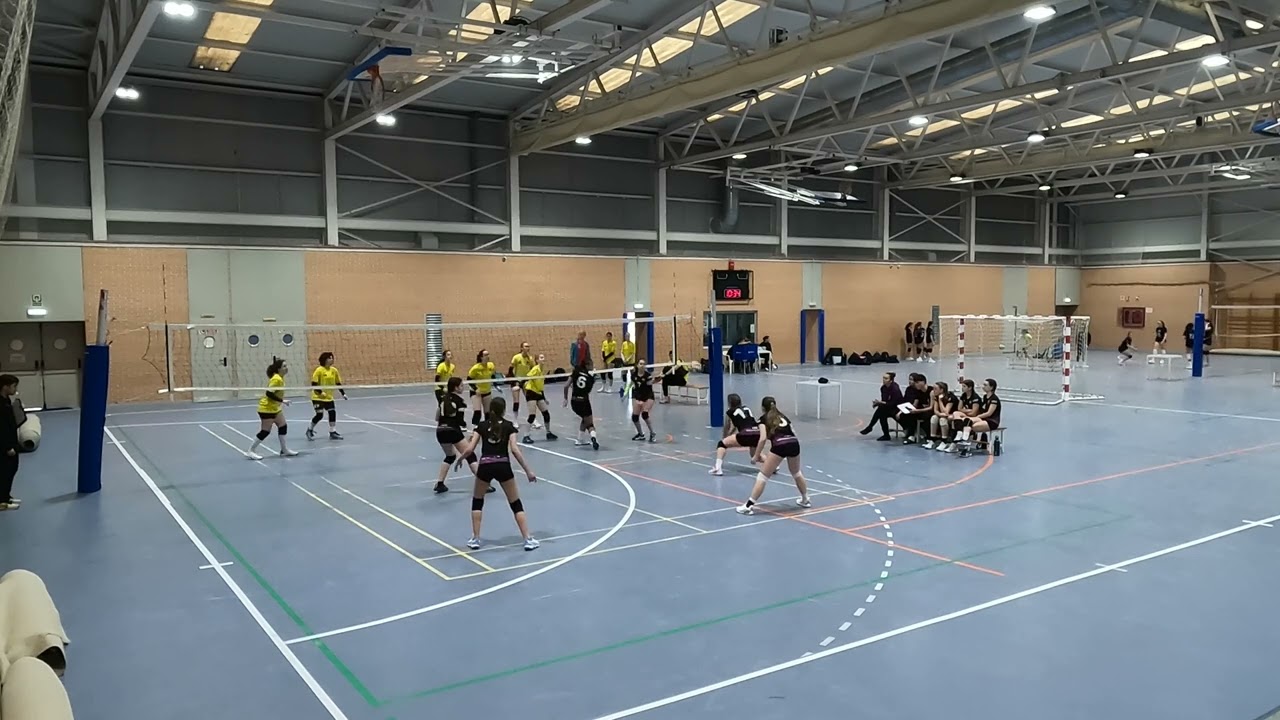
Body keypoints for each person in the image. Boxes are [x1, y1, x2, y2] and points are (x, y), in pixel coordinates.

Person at [454, 397, 539, 551]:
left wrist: (460, 459)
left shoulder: (481, 426)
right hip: (503, 465)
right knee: (515, 503)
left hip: (485, 465)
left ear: (490, 410)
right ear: (504, 410)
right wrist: (528, 471)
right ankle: (527, 539)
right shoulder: (509, 426)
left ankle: (475, 539)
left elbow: (470, 448)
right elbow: (514, 450)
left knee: (477, 501)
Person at [737, 396, 810, 515]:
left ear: (762, 408)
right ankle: (805, 499)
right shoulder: (783, 416)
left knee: (762, 476)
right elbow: (793, 432)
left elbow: (762, 439)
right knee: (796, 473)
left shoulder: (763, 419)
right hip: (794, 443)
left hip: (780, 444)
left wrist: (756, 456)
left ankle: (748, 506)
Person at [432, 377, 487, 495]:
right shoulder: (460, 402)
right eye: (462, 386)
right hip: (453, 430)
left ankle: (440, 483)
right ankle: (484, 484)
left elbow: (437, 418)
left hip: (440, 430)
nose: (463, 388)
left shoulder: (442, 399)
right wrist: (469, 431)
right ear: (456, 388)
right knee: (470, 455)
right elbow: (460, 421)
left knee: (450, 456)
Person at [247, 358, 299, 460]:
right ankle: (251, 451)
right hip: (266, 408)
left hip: (275, 408)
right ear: (278, 369)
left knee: (283, 426)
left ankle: (284, 450)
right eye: (284, 366)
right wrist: (282, 401)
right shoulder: (277, 379)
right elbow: (269, 393)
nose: (286, 368)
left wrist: (281, 401)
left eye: (286, 366)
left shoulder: (280, 378)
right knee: (265, 431)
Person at [709, 393, 759, 476]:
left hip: (745, 434)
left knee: (721, 444)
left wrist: (724, 438)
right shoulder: (746, 409)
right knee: (754, 455)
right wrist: (730, 435)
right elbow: (737, 425)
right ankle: (774, 466)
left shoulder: (730, 412)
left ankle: (718, 468)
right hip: (757, 433)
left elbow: (727, 426)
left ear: (729, 403)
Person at [307, 352, 347, 441]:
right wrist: (320, 393)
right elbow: (314, 384)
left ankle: (332, 432)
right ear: (325, 359)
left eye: (332, 357)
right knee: (319, 415)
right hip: (317, 397)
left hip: (329, 397)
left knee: (332, 412)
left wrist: (343, 393)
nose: (332, 359)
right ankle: (310, 430)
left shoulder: (334, 370)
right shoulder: (319, 370)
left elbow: (338, 383)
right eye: (330, 358)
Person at [956, 378, 1001, 454]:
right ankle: (963, 439)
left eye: (985, 385)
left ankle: (966, 442)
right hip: (983, 419)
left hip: (991, 421)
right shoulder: (985, 397)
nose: (983, 386)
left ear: (991, 387)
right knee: (966, 421)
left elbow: (989, 413)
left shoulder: (994, 399)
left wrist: (977, 417)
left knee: (971, 427)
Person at [521, 353, 557, 445]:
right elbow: (527, 377)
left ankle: (548, 433)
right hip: (531, 393)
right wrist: (526, 386)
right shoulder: (535, 369)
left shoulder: (541, 370)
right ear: (537, 360)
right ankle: (526, 436)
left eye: (543, 357)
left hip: (539, 393)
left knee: (546, 413)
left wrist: (544, 398)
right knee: (532, 415)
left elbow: (540, 385)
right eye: (541, 358)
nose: (543, 359)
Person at [564, 359, 599, 450]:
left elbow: (566, 385)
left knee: (584, 419)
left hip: (574, 402)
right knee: (590, 423)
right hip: (584, 402)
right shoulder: (590, 378)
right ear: (587, 365)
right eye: (591, 364)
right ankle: (593, 438)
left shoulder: (576, 372)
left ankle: (580, 439)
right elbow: (588, 391)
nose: (592, 366)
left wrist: (565, 399)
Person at [859, 371, 904, 441]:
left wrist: (880, 403)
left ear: (891, 380)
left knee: (881, 411)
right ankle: (881, 433)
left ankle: (871, 427)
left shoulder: (895, 389)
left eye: (886, 378)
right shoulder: (883, 388)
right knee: (881, 412)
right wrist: (878, 403)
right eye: (883, 378)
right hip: (889, 407)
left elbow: (893, 403)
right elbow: (885, 401)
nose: (883, 380)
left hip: (897, 409)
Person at [0, 375, 20, 511]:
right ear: (5, 387)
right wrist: (8, 447)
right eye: (14, 386)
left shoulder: (6, 400)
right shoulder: (0, 404)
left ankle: (6, 496)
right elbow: (1, 428)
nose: (15, 389)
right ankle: (2, 501)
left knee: (12, 469)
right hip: (5, 444)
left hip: (11, 440)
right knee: (5, 472)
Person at [895, 373, 932, 444]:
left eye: (917, 382)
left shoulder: (931, 391)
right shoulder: (918, 392)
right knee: (909, 415)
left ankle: (928, 437)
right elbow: (915, 403)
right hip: (921, 410)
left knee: (925, 417)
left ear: (923, 382)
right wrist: (910, 410)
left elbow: (931, 407)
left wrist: (917, 410)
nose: (915, 384)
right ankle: (911, 435)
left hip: (929, 411)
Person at [923, 380, 957, 451]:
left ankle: (944, 441)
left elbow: (946, 411)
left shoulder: (950, 397)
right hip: (942, 415)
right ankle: (932, 440)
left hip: (952, 416)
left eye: (935, 389)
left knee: (942, 420)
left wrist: (940, 400)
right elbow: (935, 411)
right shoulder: (936, 396)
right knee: (934, 418)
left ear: (941, 390)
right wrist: (940, 414)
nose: (933, 390)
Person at [468, 350, 498, 427]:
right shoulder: (475, 368)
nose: (487, 356)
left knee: (488, 412)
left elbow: (493, 376)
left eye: (488, 354)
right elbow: (469, 380)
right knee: (477, 412)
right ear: (481, 357)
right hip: (476, 393)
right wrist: (475, 389)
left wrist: (496, 385)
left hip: (487, 391)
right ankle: (474, 428)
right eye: (485, 355)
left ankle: (487, 427)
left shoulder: (491, 365)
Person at [629, 359, 657, 442]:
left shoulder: (647, 375)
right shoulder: (633, 375)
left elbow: (649, 383)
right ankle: (641, 434)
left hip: (648, 396)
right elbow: (633, 384)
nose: (642, 365)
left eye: (644, 364)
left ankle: (652, 433)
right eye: (640, 363)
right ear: (637, 365)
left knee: (645, 414)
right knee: (634, 417)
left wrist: (656, 380)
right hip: (639, 396)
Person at [507, 342, 535, 423]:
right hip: (516, 380)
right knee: (516, 401)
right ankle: (515, 420)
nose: (528, 348)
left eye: (528, 346)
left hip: (526, 380)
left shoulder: (530, 358)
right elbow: (510, 370)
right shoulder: (516, 357)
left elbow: (532, 369)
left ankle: (533, 419)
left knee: (530, 400)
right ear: (521, 348)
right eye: (526, 346)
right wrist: (513, 381)